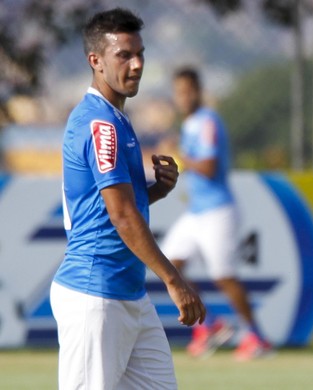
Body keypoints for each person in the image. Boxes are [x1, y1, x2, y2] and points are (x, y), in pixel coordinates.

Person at [50, 8, 206, 389]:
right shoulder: (101, 125)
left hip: (128, 295)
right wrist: (174, 280)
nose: (136, 65)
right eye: (124, 55)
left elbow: (107, 210)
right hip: (96, 295)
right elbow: (120, 216)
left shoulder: (115, 119)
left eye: (140, 54)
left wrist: (155, 191)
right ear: (96, 61)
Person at [160, 66, 271, 361]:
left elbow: (208, 168)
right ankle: (207, 327)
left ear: (198, 91)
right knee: (169, 265)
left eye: (188, 91)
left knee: (224, 276)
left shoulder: (207, 121)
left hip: (218, 210)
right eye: (178, 92)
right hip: (196, 212)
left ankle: (257, 337)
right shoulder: (189, 124)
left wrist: (179, 156)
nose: (183, 98)